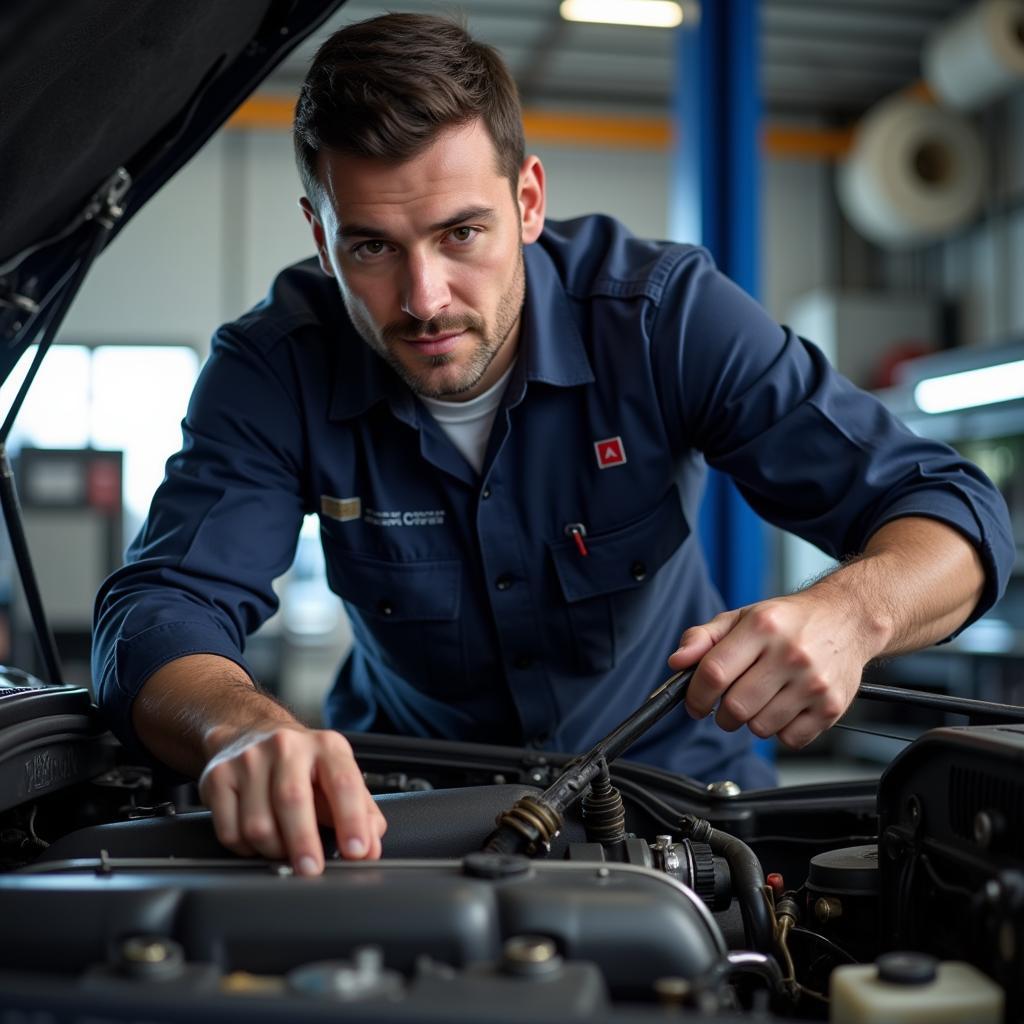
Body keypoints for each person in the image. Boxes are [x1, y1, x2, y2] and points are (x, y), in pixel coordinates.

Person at [93, 13, 1013, 878]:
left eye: (462, 233)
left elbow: (953, 509)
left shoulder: (663, 318)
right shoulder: (275, 366)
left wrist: (854, 613)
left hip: (680, 801)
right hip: (405, 814)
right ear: (319, 235)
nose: (424, 298)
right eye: (371, 247)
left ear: (528, 201)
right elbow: (161, 609)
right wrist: (240, 728)